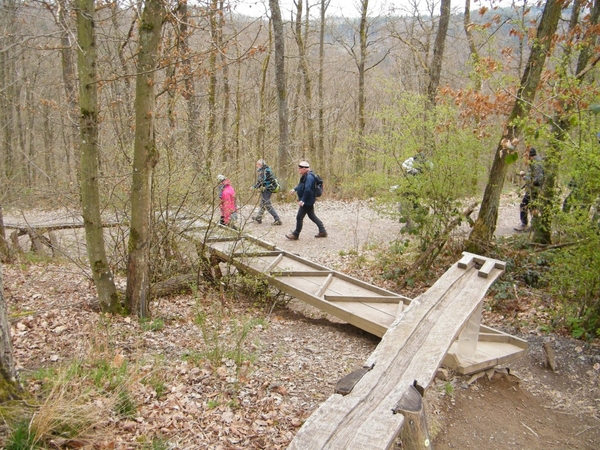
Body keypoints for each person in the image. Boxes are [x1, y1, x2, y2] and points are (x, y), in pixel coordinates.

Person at [285, 161, 327, 240]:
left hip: (307, 200)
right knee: (312, 216)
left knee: (299, 217)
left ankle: (296, 234)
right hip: (308, 200)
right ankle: (322, 231)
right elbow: (301, 186)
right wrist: (295, 189)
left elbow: (307, 189)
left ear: (304, 169)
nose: (298, 170)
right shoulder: (305, 176)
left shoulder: (309, 177)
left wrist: (303, 200)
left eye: (300, 168)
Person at [514, 147, 544, 232]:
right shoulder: (536, 162)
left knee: (524, 205)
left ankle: (525, 225)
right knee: (532, 207)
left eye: (526, 155)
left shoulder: (536, 163)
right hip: (534, 189)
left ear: (529, 155)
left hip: (535, 189)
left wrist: (524, 177)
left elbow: (538, 179)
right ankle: (534, 225)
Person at [251, 159, 282, 225]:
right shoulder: (267, 169)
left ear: (260, 165)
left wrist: (253, 187)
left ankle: (277, 219)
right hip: (269, 189)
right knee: (263, 203)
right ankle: (258, 218)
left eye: (257, 164)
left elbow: (260, 182)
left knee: (267, 205)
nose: (256, 166)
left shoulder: (263, 171)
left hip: (267, 190)